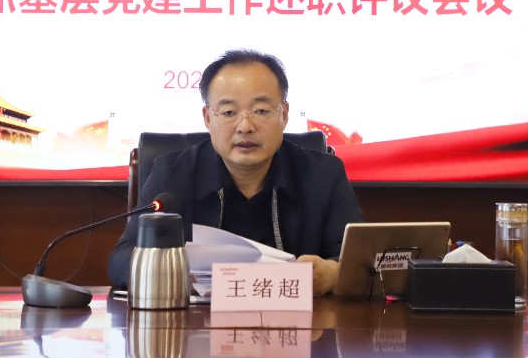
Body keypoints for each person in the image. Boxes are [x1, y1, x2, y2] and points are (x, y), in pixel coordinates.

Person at [108, 49, 364, 296]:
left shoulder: (323, 175)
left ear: (284, 115)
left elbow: (364, 264)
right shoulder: (173, 174)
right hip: (198, 324)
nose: (245, 126)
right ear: (208, 118)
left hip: (300, 322)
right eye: (229, 112)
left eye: (261, 110)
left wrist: (331, 276)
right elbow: (122, 259)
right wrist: (174, 274)